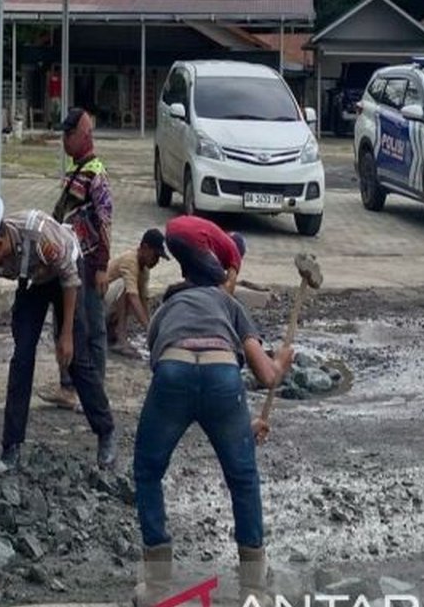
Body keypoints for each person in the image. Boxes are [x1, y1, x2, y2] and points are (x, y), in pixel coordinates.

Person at [133, 259, 292, 606]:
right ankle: (253, 590)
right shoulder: (229, 304)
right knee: (244, 478)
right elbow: (267, 376)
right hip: (223, 379)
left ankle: (156, 588)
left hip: (172, 373)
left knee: (148, 471)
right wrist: (281, 361)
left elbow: (162, 363)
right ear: (217, 283)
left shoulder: (166, 307)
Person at [0, 196, 116, 470]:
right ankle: (11, 445)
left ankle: (106, 433)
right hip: (33, 280)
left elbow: (69, 278)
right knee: (21, 359)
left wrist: (65, 335)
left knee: (75, 358)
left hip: (66, 275)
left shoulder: (40, 235)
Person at [40, 108, 113, 411]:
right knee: (64, 325)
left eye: (69, 135)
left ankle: (94, 392)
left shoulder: (95, 172)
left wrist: (102, 266)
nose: (64, 141)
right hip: (68, 263)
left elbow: (105, 221)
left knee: (92, 328)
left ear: (84, 136)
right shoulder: (76, 170)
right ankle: (67, 386)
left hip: (88, 263)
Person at [104, 228, 170, 358]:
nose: (156, 261)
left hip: (108, 307)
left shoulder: (144, 269)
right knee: (126, 288)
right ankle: (121, 339)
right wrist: (148, 328)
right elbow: (133, 297)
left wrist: (151, 330)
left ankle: (114, 330)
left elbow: (143, 300)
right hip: (97, 304)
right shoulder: (130, 260)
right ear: (145, 248)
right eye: (155, 255)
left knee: (135, 295)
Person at [163, 214, 246, 294]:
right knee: (220, 280)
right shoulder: (234, 250)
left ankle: (173, 293)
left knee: (194, 276)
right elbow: (229, 287)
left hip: (171, 232)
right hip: (192, 237)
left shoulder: (220, 239)